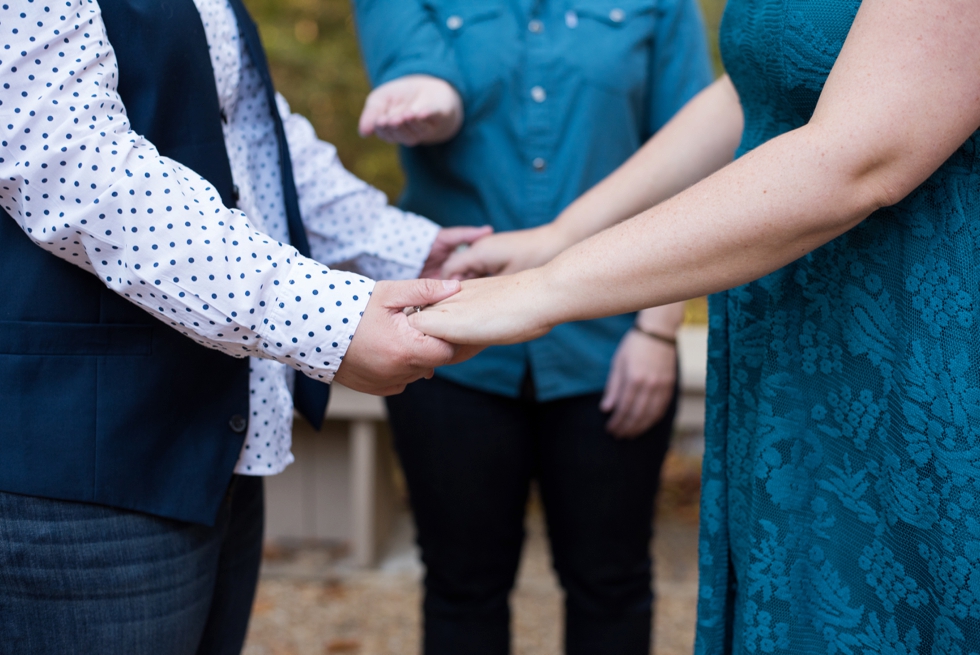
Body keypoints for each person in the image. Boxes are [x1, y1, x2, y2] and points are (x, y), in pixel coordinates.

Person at [412, 0, 980, 652]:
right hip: (798, 354)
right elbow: (753, 83)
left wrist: (541, 290)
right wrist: (561, 234)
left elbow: (862, 155)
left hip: (918, 355)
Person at [0, 1, 488, 653]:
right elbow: (73, 164)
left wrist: (403, 247)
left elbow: (248, 130)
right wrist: (328, 322)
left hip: (209, 434)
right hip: (77, 465)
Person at [353, 2, 711, 653]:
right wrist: (420, 104)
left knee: (612, 581)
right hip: (451, 341)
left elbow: (691, 152)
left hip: (610, 342)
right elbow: (410, 75)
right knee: (462, 586)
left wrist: (657, 331)